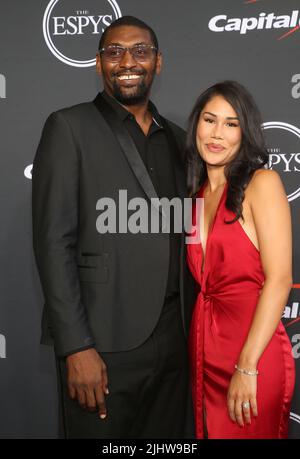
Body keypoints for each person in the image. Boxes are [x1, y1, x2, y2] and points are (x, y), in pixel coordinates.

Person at [32, 16, 195, 439]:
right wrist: (76, 347)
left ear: (157, 62)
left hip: (175, 341)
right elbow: (54, 243)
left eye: (140, 51)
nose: (128, 61)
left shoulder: (180, 140)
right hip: (101, 343)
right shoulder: (68, 127)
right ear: (99, 63)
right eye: (114, 51)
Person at [185, 80, 295, 439]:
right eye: (209, 120)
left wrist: (247, 367)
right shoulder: (195, 197)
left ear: (244, 133)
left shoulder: (261, 183)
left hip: (252, 354)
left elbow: (279, 279)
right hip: (205, 353)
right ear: (196, 126)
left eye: (231, 124)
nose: (217, 134)